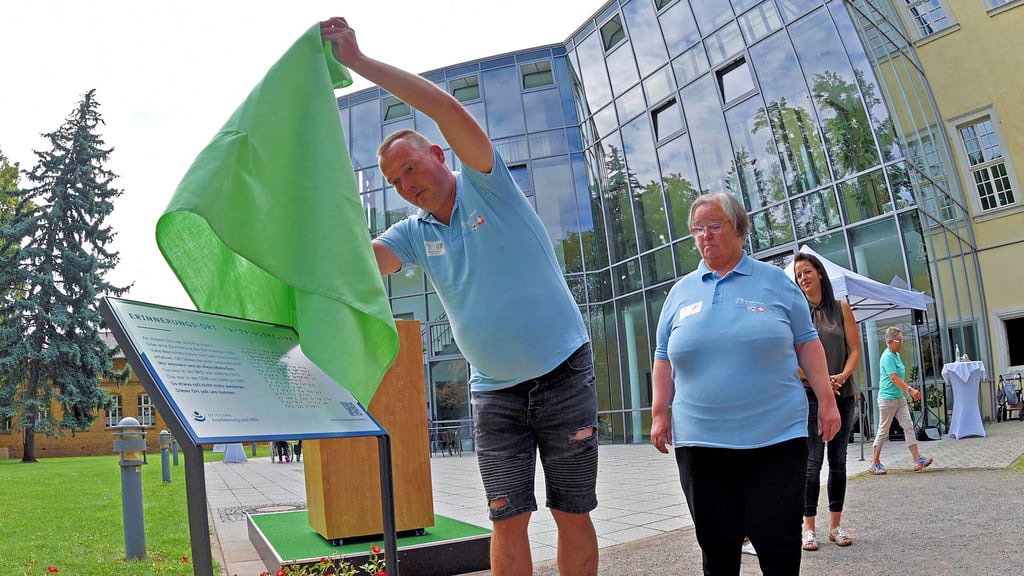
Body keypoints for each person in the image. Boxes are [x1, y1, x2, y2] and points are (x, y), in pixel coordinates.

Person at [320, 18, 599, 576]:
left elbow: (445, 108)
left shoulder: (487, 183)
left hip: (564, 372)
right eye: (395, 182)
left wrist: (359, 62)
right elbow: (355, 266)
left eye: (411, 168)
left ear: (440, 156)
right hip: (494, 394)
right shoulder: (415, 234)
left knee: (571, 510)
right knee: (506, 518)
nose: (406, 184)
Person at [651, 192, 840, 576]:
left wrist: (827, 401)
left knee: (779, 545)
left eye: (714, 226)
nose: (705, 236)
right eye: (698, 229)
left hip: (774, 439)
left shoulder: (776, 283)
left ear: (738, 227)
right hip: (701, 444)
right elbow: (663, 357)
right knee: (717, 548)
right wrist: (659, 413)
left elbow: (808, 344)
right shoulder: (680, 293)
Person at [793, 252, 862, 551]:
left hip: (843, 395)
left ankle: (835, 525)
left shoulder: (841, 309)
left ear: (819, 273)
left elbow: (856, 350)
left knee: (838, 461)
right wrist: (818, 382)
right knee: (811, 463)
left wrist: (842, 377)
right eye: (799, 275)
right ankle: (809, 528)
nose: (803, 278)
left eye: (807, 272)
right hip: (809, 397)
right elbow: (791, 358)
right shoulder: (797, 313)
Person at [870, 326, 933, 475]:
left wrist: (905, 391)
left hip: (899, 398)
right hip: (887, 399)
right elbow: (894, 378)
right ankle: (875, 462)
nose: (901, 343)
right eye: (899, 341)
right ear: (890, 341)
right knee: (884, 430)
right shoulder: (887, 357)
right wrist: (910, 390)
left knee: (908, 426)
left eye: (902, 340)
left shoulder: (896, 355)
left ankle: (917, 459)